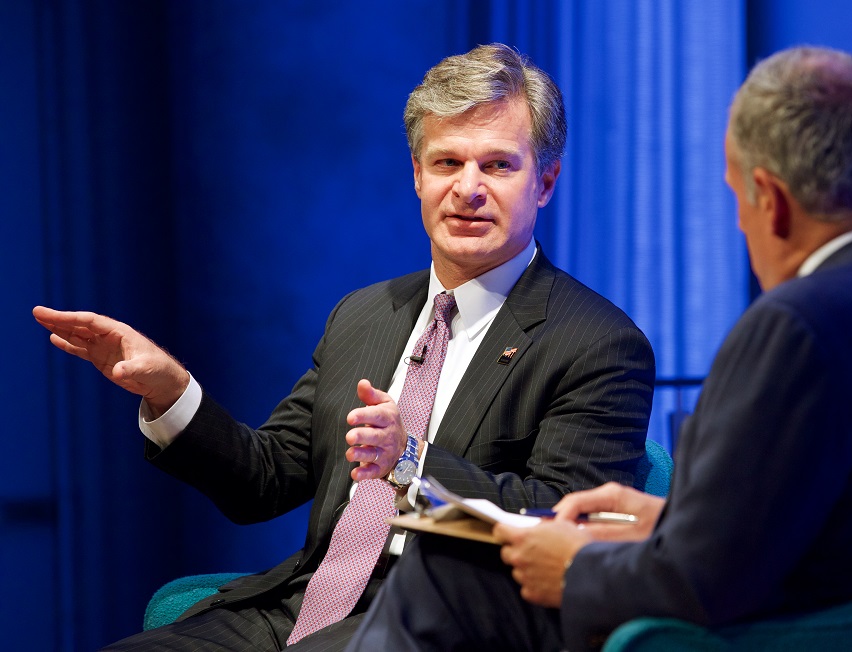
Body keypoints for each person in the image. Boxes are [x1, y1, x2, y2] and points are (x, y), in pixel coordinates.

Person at [345, 45, 852, 652]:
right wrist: (671, 521)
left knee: (452, 565)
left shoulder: (797, 328)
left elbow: (700, 585)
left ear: (768, 200)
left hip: (773, 635)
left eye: (736, 197)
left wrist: (573, 564)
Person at [33, 43, 656, 651]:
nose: (468, 188)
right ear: (417, 175)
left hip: (445, 620)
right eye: (446, 163)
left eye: (498, 165)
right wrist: (169, 389)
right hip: (302, 606)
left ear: (545, 181)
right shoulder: (363, 314)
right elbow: (264, 480)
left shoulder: (598, 343)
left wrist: (412, 461)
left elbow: (562, 525)